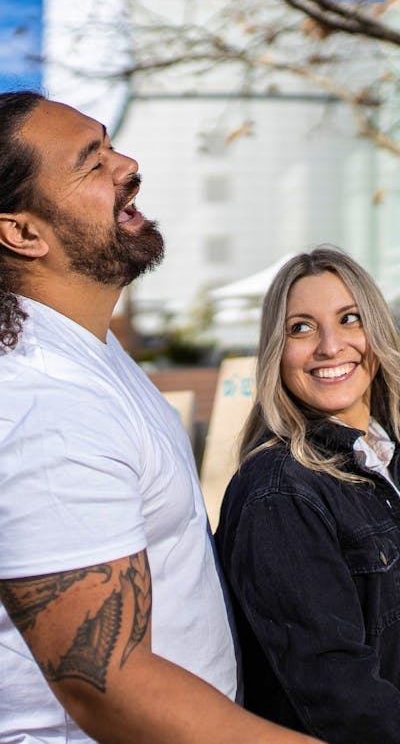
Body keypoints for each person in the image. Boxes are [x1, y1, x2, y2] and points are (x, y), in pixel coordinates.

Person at [0, 91, 322, 744]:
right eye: (92, 163)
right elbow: (107, 685)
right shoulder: (42, 399)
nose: (128, 164)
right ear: (22, 232)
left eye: (109, 142)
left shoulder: (85, 347)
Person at [216, 246, 400, 744]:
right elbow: (339, 694)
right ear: (278, 351)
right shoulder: (280, 493)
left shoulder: (384, 456)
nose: (330, 346)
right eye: (301, 328)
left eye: (349, 319)